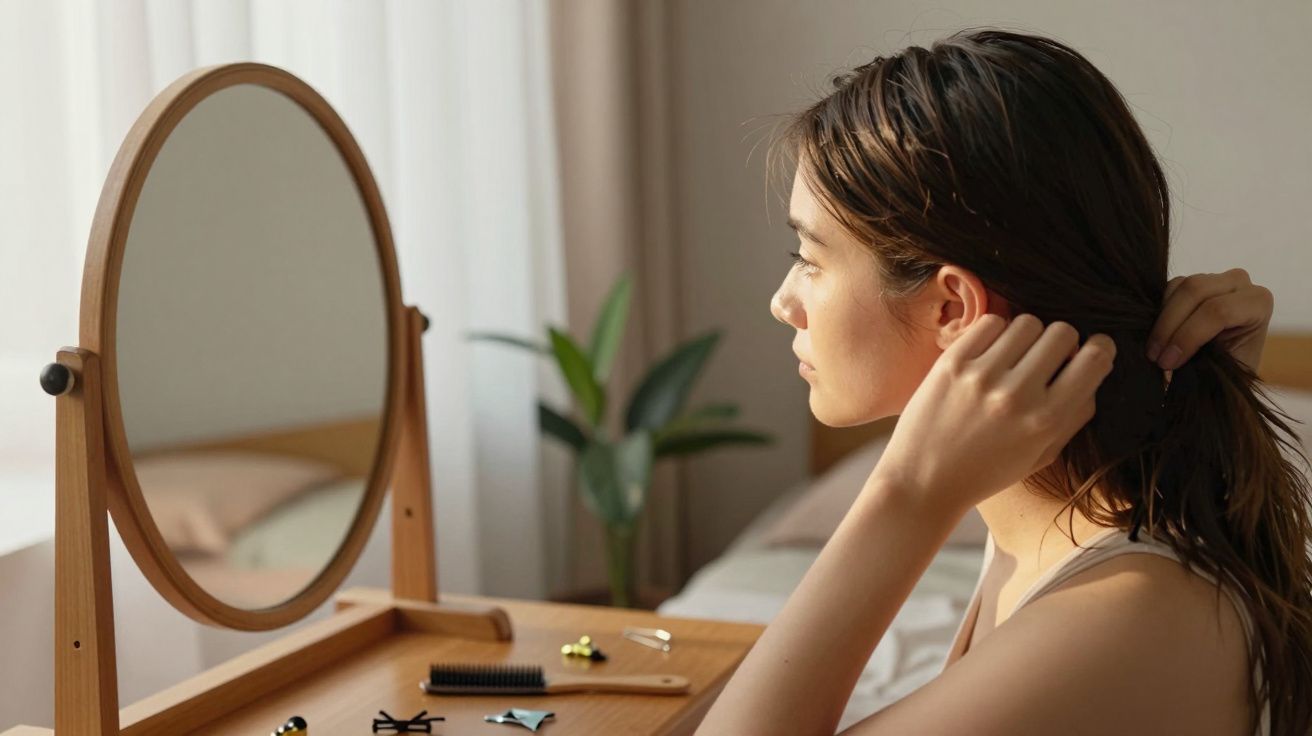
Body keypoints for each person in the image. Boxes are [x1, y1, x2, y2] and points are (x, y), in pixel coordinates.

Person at [696, 29, 1310, 736]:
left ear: (952, 308)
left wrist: (909, 492)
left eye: (809, 258)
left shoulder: (1129, 615)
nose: (783, 300)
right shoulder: (1050, 518)